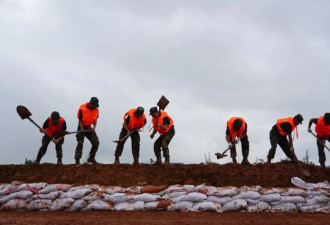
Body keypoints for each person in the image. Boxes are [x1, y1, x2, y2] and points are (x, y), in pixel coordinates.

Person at [74, 97, 100, 165]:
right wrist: (81, 128)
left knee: (96, 142)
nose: (95, 107)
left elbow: (96, 119)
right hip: (81, 127)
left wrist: (94, 127)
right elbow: (79, 120)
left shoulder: (96, 110)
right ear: (90, 104)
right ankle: (77, 160)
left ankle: (91, 158)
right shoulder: (82, 108)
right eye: (94, 106)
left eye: (96, 106)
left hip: (89, 128)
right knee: (80, 143)